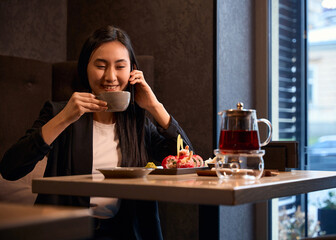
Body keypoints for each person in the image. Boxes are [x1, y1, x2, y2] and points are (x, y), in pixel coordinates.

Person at [0, 25, 194, 240]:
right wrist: (64, 118)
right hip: (67, 231)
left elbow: (188, 162)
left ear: (132, 71)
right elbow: (11, 168)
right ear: (85, 68)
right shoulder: (59, 113)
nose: (110, 77)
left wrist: (155, 106)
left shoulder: (138, 123)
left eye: (120, 66)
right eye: (101, 66)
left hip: (126, 233)